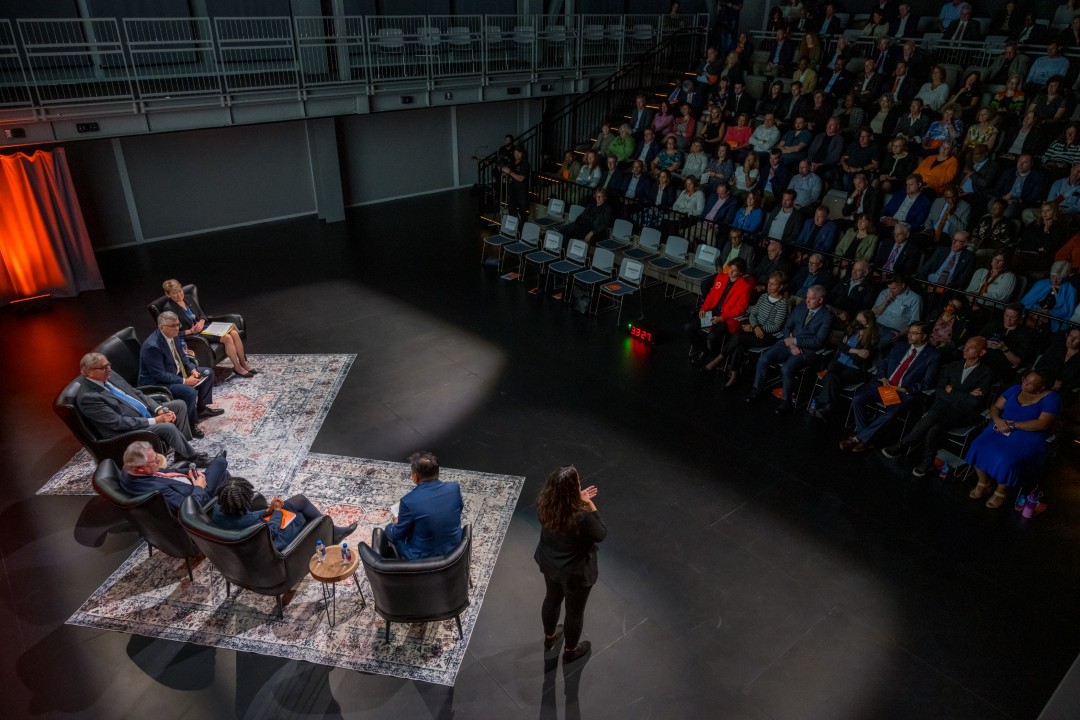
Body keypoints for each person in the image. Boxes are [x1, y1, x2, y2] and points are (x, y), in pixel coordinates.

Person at [882, 336, 994, 475]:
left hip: (963, 413)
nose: (965, 349)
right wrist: (965, 394)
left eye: (971, 348)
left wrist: (952, 391)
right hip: (942, 406)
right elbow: (940, 391)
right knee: (935, 428)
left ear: (982, 353)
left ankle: (903, 445)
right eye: (965, 345)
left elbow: (975, 402)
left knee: (933, 415)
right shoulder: (953, 366)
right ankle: (928, 462)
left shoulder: (986, 373)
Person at [76, 352, 209, 463]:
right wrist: (156, 420)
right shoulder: (88, 397)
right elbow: (118, 423)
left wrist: (158, 409)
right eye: (103, 367)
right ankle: (191, 457)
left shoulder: (109, 376)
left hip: (141, 413)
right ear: (89, 372)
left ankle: (181, 453)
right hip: (125, 431)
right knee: (168, 427)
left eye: (108, 365)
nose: (109, 369)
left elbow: (136, 393)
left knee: (179, 405)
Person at [535, 464, 606, 664]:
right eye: (577, 484)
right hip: (575, 573)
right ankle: (570, 651)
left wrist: (576, 499)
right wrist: (589, 504)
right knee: (574, 612)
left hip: (550, 564)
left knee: (552, 598)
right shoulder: (582, 518)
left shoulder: (544, 503)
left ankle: (549, 639)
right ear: (571, 490)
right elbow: (601, 533)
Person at [965, 371, 1060, 508]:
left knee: (1007, 459)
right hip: (1002, 426)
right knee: (977, 445)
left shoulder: (1052, 398)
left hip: (1028, 433)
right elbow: (995, 407)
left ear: (1041, 387)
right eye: (1025, 379)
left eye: (1030, 384)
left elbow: (1043, 423)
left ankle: (1001, 491)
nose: (1025, 384)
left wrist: (1013, 424)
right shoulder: (1015, 389)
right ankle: (983, 482)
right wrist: (998, 420)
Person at [840, 321, 940, 452]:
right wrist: (883, 378)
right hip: (884, 384)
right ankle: (865, 439)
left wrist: (901, 389)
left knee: (889, 414)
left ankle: (857, 439)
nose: (909, 336)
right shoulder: (900, 346)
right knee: (857, 399)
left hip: (902, 392)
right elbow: (883, 364)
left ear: (925, 336)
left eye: (915, 333)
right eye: (909, 332)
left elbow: (927, 383)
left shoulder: (933, 356)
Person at [746, 285, 833, 414]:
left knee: (786, 368)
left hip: (807, 350)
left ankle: (786, 401)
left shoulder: (827, 317)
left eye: (812, 299)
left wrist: (796, 342)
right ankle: (756, 389)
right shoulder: (801, 307)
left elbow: (818, 341)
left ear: (820, 300)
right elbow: (787, 326)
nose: (807, 301)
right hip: (788, 343)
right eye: (807, 297)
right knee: (764, 358)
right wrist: (792, 343)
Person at [212, 475, 357, 550]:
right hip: (274, 545)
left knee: (299, 500)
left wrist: (266, 511)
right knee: (300, 516)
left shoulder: (218, 509)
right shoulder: (251, 523)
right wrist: (277, 511)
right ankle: (331, 534)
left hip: (252, 541)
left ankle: (334, 531)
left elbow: (245, 517)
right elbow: (272, 530)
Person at [139, 311, 221, 426]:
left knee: (208, 373)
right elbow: (159, 375)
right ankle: (191, 424)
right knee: (189, 392)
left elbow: (182, 356)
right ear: (162, 327)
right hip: (159, 382)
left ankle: (201, 409)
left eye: (178, 324)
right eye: (173, 326)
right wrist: (185, 381)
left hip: (176, 372)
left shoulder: (174, 335)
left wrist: (192, 369)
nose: (177, 328)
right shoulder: (152, 346)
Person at [161, 279, 255, 378]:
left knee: (234, 333)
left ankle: (243, 363)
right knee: (227, 338)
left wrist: (201, 321)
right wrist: (191, 331)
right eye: (174, 293)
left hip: (204, 328)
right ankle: (237, 367)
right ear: (168, 294)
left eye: (180, 291)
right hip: (194, 335)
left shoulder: (188, 298)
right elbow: (171, 332)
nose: (179, 295)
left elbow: (201, 314)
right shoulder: (168, 309)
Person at [383, 451, 463, 560]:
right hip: (454, 551)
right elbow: (458, 510)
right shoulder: (454, 488)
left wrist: (393, 525)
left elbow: (397, 535)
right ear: (437, 472)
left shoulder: (408, 501)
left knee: (388, 532)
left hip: (423, 559)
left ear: (415, 477)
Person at [715, 271, 789, 386]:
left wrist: (758, 328)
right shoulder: (764, 296)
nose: (769, 286)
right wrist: (755, 327)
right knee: (739, 341)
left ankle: (720, 359)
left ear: (780, 287)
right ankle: (733, 375)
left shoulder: (782, 304)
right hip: (755, 329)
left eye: (773, 284)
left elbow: (776, 326)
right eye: (769, 283)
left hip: (768, 336)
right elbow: (753, 314)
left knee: (739, 336)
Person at [119, 440, 228, 512]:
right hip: (197, 495)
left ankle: (228, 492)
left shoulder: (128, 469)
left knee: (222, 474)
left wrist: (188, 471)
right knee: (220, 463)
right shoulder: (156, 491)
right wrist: (199, 487)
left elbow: (165, 471)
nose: (159, 461)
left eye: (156, 456)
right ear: (141, 468)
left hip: (187, 482)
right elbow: (188, 509)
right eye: (155, 461)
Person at [810, 310, 879, 419]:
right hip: (839, 362)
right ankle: (827, 406)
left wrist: (847, 349)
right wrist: (856, 351)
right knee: (832, 372)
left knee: (832, 378)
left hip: (855, 369)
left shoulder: (873, 339)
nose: (857, 322)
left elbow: (862, 357)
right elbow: (840, 346)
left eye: (861, 321)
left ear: (868, 323)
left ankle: (821, 403)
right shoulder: (852, 330)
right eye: (857, 319)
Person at [688, 257, 752, 366]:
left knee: (713, 336)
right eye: (730, 268)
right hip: (714, 313)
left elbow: (739, 309)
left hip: (728, 319)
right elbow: (711, 296)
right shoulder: (720, 277)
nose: (730, 272)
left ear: (741, 272)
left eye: (734, 270)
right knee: (690, 327)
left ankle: (714, 358)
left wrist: (722, 318)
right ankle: (703, 349)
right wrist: (704, 308)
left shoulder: (745, 287)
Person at [1021, 262, 1077, 332]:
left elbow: (1066, 312)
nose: (1054, 280)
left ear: (1065, 278)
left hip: (1051, 320)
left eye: (1059, 279)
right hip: (1032, 314)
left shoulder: (1071, 291)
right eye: (1052, 277)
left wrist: (1049, 313)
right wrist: (1037, 309)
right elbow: (1026, 302)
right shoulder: (1042, 283)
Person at [872, 273, 923, 348]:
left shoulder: (915, 299)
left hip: (893, 331)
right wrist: (885, 302)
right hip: (877, 325)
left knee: (876, 346)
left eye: (894, 288)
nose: (890, 291)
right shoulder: (884, 292)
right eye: (889, 288)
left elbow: (914, 321)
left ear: (903, 285)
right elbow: (874, 312)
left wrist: (902, 334)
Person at [502, 146, 530, 221]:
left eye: (518, 153)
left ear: (522, 154)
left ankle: (523, 229)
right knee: (511, 209)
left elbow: (521, 178)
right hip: (512, 190)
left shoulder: (525, 163)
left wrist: (510, 172)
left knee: (522, 212)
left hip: (521, 191)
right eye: (515, 153)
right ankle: (514, 228)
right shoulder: (512, 162)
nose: (516, 155)